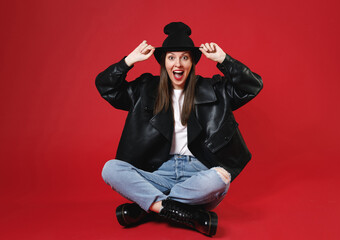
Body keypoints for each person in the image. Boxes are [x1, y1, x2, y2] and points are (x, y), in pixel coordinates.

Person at [96, 22, 263, 236]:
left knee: (220, 178)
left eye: (184, 57)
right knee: (110, 169)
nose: (178, 63)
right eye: (172, 57)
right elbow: (106, 86)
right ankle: (182, 212)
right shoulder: (145, 89)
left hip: (199, 173)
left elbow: (252, 86)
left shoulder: (213, 89)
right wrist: (128, 61)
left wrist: (224, 60)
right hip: (160, 172)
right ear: (164, 62)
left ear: (192, 62)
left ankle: (149, 206)